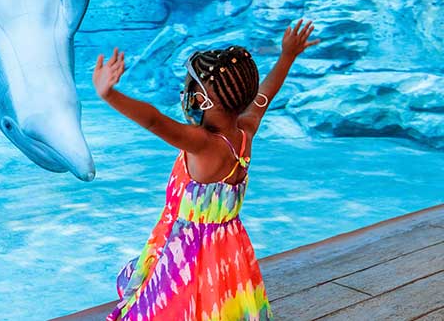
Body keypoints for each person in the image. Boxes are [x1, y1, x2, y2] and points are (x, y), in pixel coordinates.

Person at [93, 19, 320, 321]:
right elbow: (267, 93)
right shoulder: (245, 131)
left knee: (182, 307)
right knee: (219, 306)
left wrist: (109, 95)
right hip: (229, 247)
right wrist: (287, 56)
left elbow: (154, 121)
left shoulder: (201, 143)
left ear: (201, 99)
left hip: (190, 252)